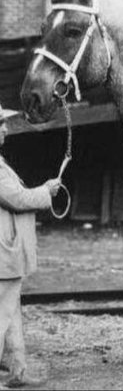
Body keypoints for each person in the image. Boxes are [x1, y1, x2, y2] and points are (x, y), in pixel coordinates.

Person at [0, 104, 61, 388]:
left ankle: (17, 372)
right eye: (0, 124)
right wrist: (45, 192)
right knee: (2, 315)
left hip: (8, 254)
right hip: (3, 253)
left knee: (10, 314)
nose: (5, 129)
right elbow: (16, 198)